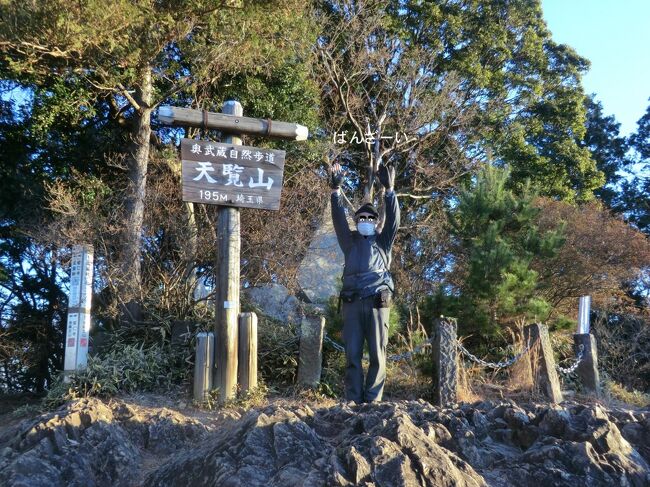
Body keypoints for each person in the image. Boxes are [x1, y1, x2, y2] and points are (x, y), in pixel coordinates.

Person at [330, 162, 400, 403]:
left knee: (378, 355)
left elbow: (393, 221)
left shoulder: (383, 243)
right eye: (362, 217)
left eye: (371, 217)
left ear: (375, 220)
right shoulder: (349, 242)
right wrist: (336, 192)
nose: (366, 220)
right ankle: (353, 400)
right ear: (357, 220)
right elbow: (338, 219)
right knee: (352, 355)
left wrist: (390, 191)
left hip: (377, 302)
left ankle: (373, 401)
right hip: (352, 303)